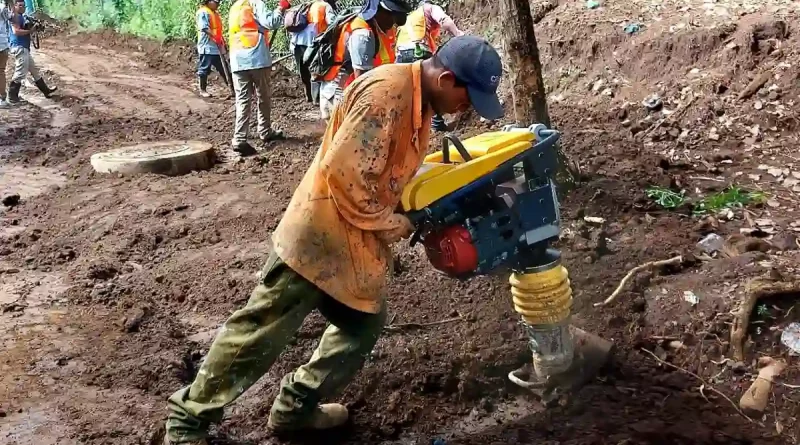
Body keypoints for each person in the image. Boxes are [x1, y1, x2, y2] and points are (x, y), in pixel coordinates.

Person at [163, 35, 504, 445]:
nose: (468, 108)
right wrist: (390, 222)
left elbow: (386, 166)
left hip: (352, 238)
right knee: (260, 330)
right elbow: (344, 174)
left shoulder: (419, 102)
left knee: (361, 326)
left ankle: (295, 408)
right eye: (469, 98)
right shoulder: (388, 97)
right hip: (319, 235)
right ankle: (187, 422)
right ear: (447, 78)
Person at [317, 0, 412, 120]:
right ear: (377, 11)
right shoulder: (362, 34)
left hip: (356, 86)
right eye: (391, 14)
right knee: (351, 134)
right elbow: (362, 80)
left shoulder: (383, 28)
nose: (393, 21)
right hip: (341, 92)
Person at [228, 0, 289, 156]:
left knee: (242, 100)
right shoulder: (256, 3)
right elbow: (272, 22)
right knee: (264, 96)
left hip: (237, 60)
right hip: (256, 58)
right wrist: (281, 8)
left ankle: (239, 138)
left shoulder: (235, 6)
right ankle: (265, 131)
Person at [396, 0, 464, 131]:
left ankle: (408, 127)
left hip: (400, 55)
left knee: (408, 93)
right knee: (431, 86)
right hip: (417, 51)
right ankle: (436, 124)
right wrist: (458, 34)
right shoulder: (430, 8)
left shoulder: (410, 18)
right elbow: (444, 20)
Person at [7, 0, 57, 103]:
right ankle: (12, 97)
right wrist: (30, 31)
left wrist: (34, 28)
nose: (22, 7)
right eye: (20, 5)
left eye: (23, 6)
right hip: (19, 47)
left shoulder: (21, 16)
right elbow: (16, 31)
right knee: (20, 73)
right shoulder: (15, 16)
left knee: (35, 71)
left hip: (23, 47)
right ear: (15, 6)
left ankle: (46, 91)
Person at [288, 0, 335, 104]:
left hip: (297, 42)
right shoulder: (325, 6)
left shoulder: (307, 5)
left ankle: (308, 95)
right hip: (313, 42)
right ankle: (316, 98)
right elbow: (332, 23)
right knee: (315, 68)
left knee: (303, 70)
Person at [195, 0, 230, 98]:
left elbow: (217, 30)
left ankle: (232, 88)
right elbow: (204, 28)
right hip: (207, 47)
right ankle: (202, 90)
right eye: (216, 2)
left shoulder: (215, 14)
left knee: (224, 69)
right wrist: (215, 37)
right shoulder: (203, 12)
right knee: (205, 69)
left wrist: (223, 42)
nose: (218, 4)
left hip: (217, 47)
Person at [0, 0, 11, 107]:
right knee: (1, 71)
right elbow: (12, 18)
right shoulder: (3, 7)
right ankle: (2, 98)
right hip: (2, 44)